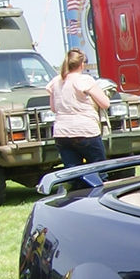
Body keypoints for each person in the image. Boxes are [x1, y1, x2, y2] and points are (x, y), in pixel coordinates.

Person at [48, 49, 112, 187]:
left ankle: (78, 200)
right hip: (85, 131)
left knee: (74, 174)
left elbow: (53, 108)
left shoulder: (56, 81)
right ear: (82, 64)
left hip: (62, 133)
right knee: (100, 171)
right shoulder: (84, 80)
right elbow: (105, 103)